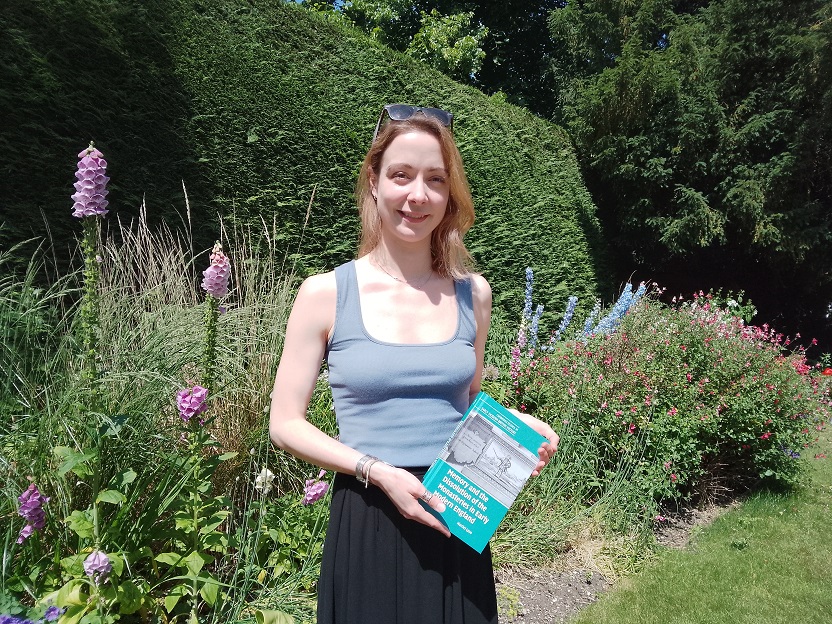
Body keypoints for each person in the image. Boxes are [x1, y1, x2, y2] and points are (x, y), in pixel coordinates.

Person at [269, 104, 560, 624]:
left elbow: (463, 401)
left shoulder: (475, 295)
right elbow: (285, 424)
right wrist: (377, 472)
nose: (417, 194)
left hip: (457, 515)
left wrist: (515, 427)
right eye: (401, 175)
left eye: (435, 179)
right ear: (375, 183)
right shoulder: (325, 294)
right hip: (369, 515)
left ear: (450, 197)